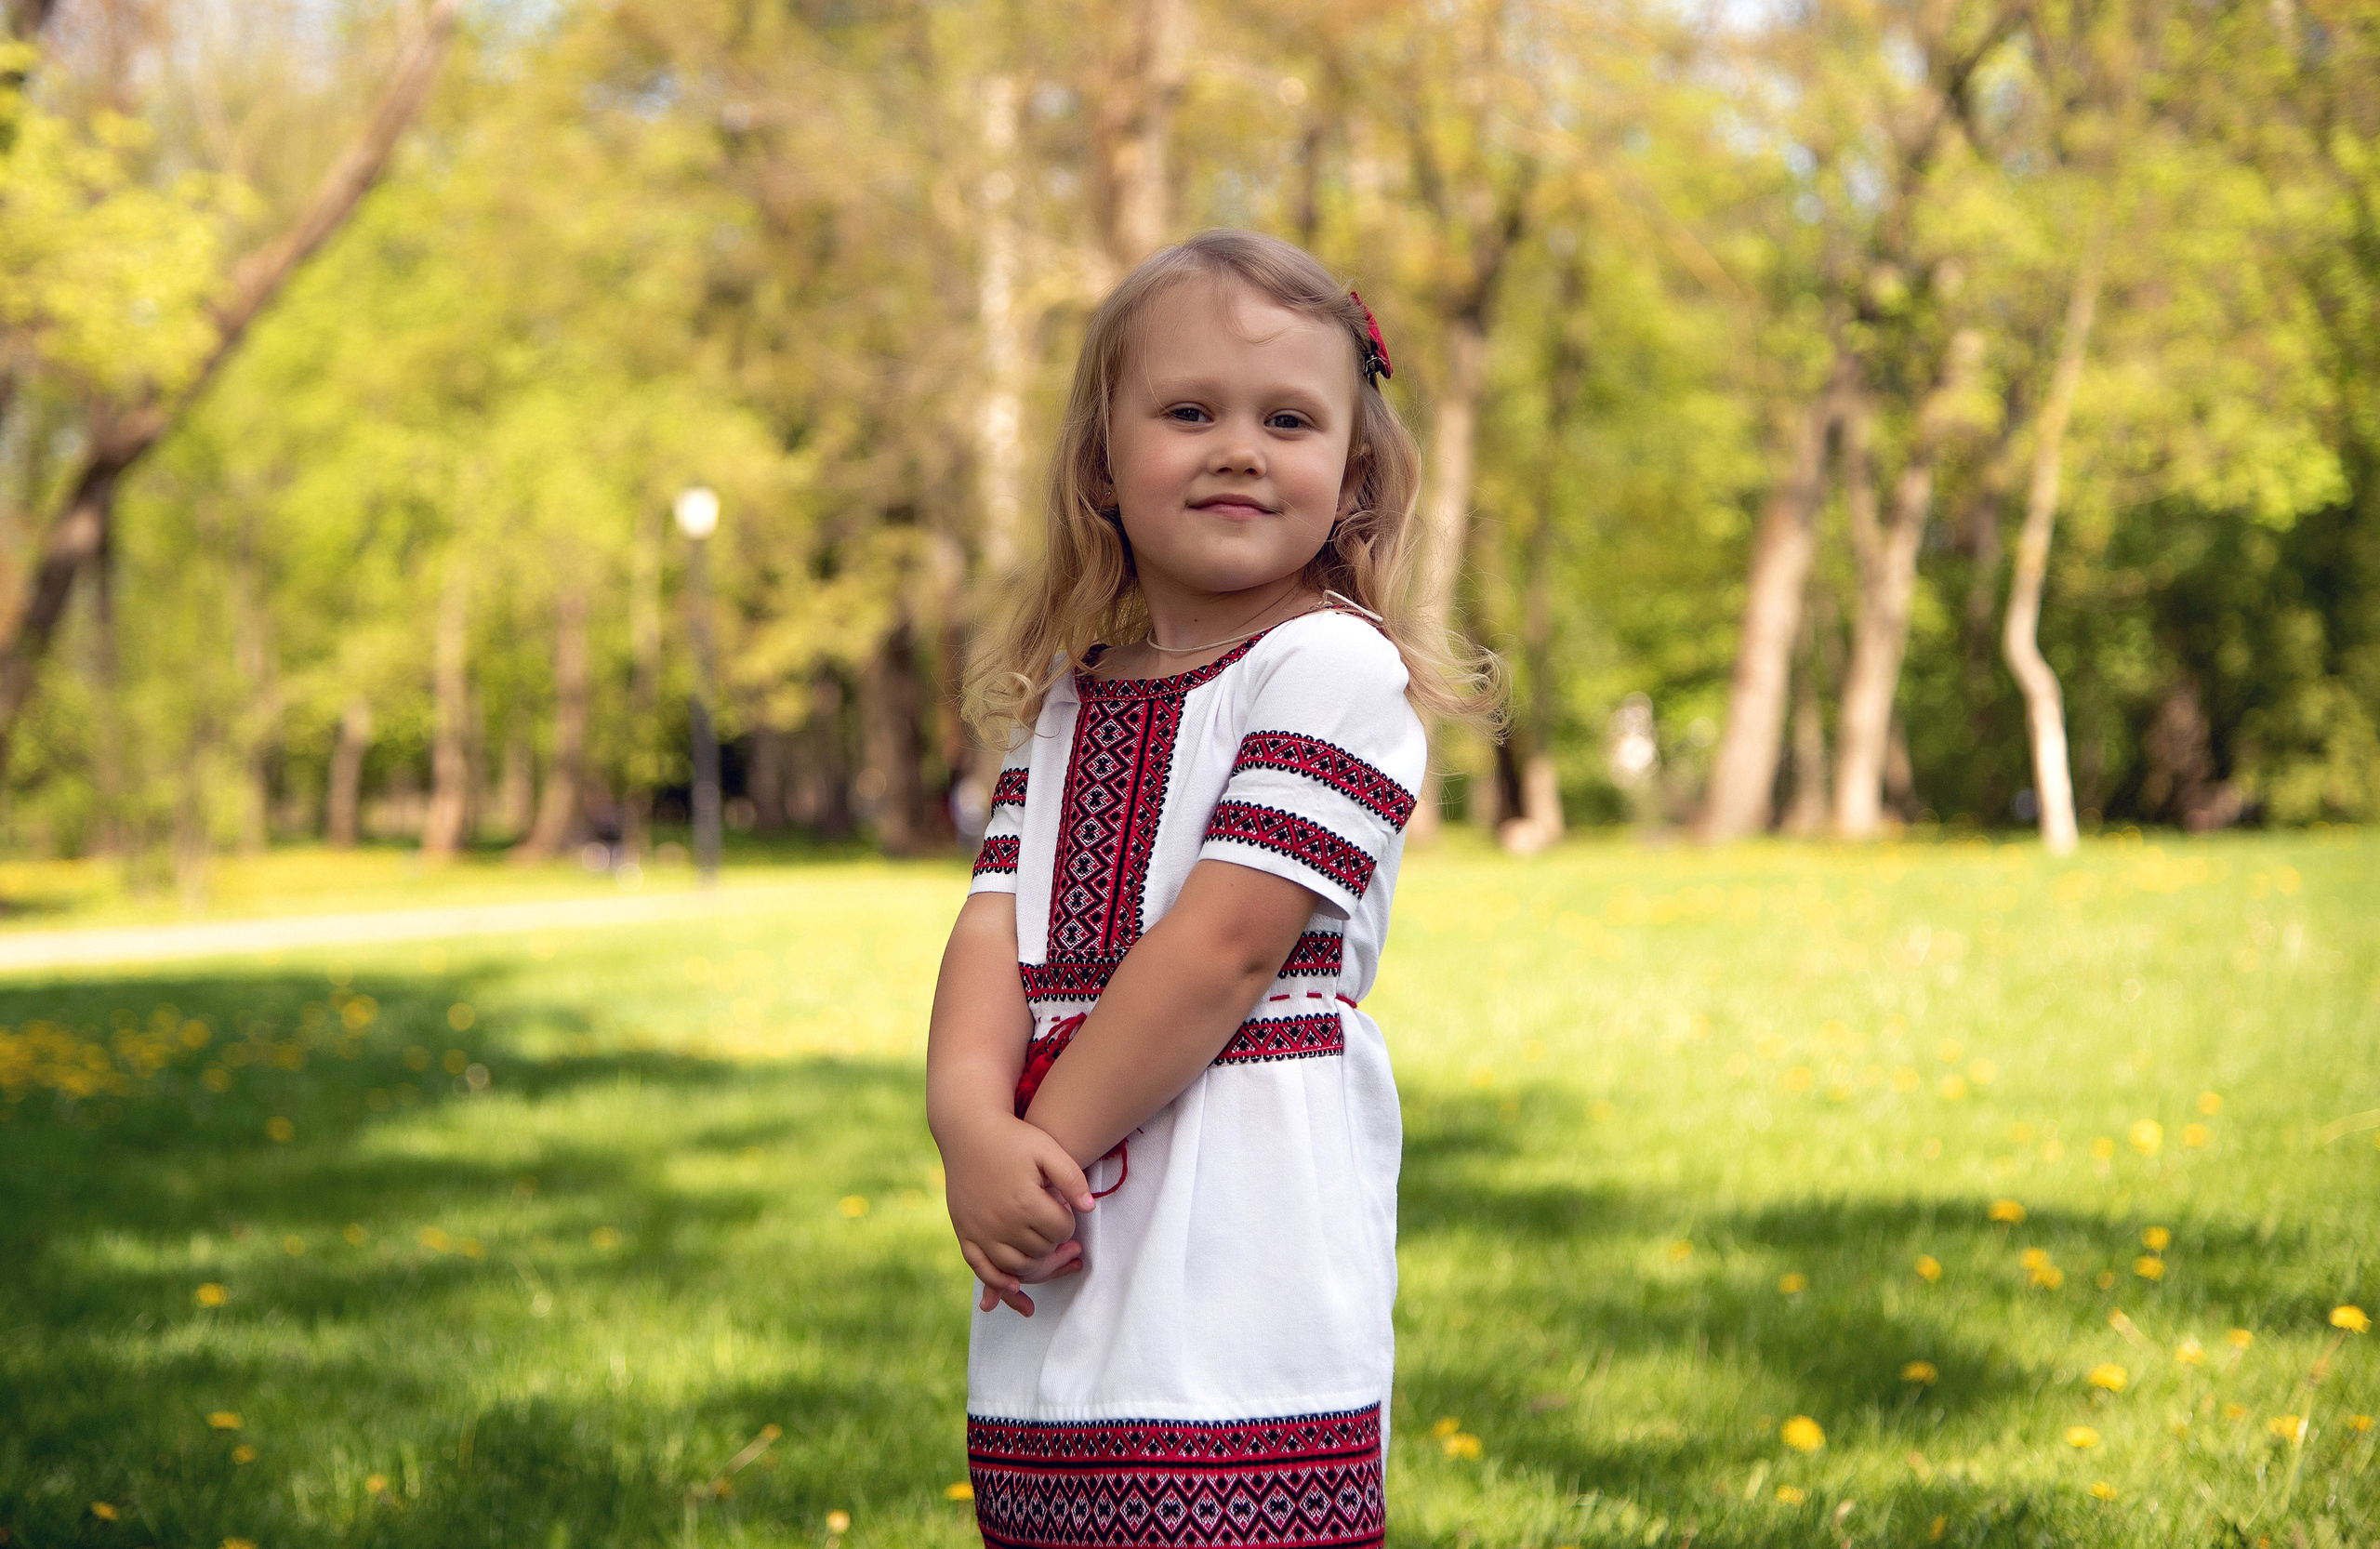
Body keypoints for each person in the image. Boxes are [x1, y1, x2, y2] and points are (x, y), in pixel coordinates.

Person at [927, 228, 1499, 1548]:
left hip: (1238, 1220)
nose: (1238, 445)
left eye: (1287, 418)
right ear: (1104, 463)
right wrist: (970, 1126)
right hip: (1070, 1209)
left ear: (1351, 474)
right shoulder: (1068, 698)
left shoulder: (1333, 669)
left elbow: (1225, 950)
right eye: (1189, 411)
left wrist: (1045, 1143)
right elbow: (988, 929)